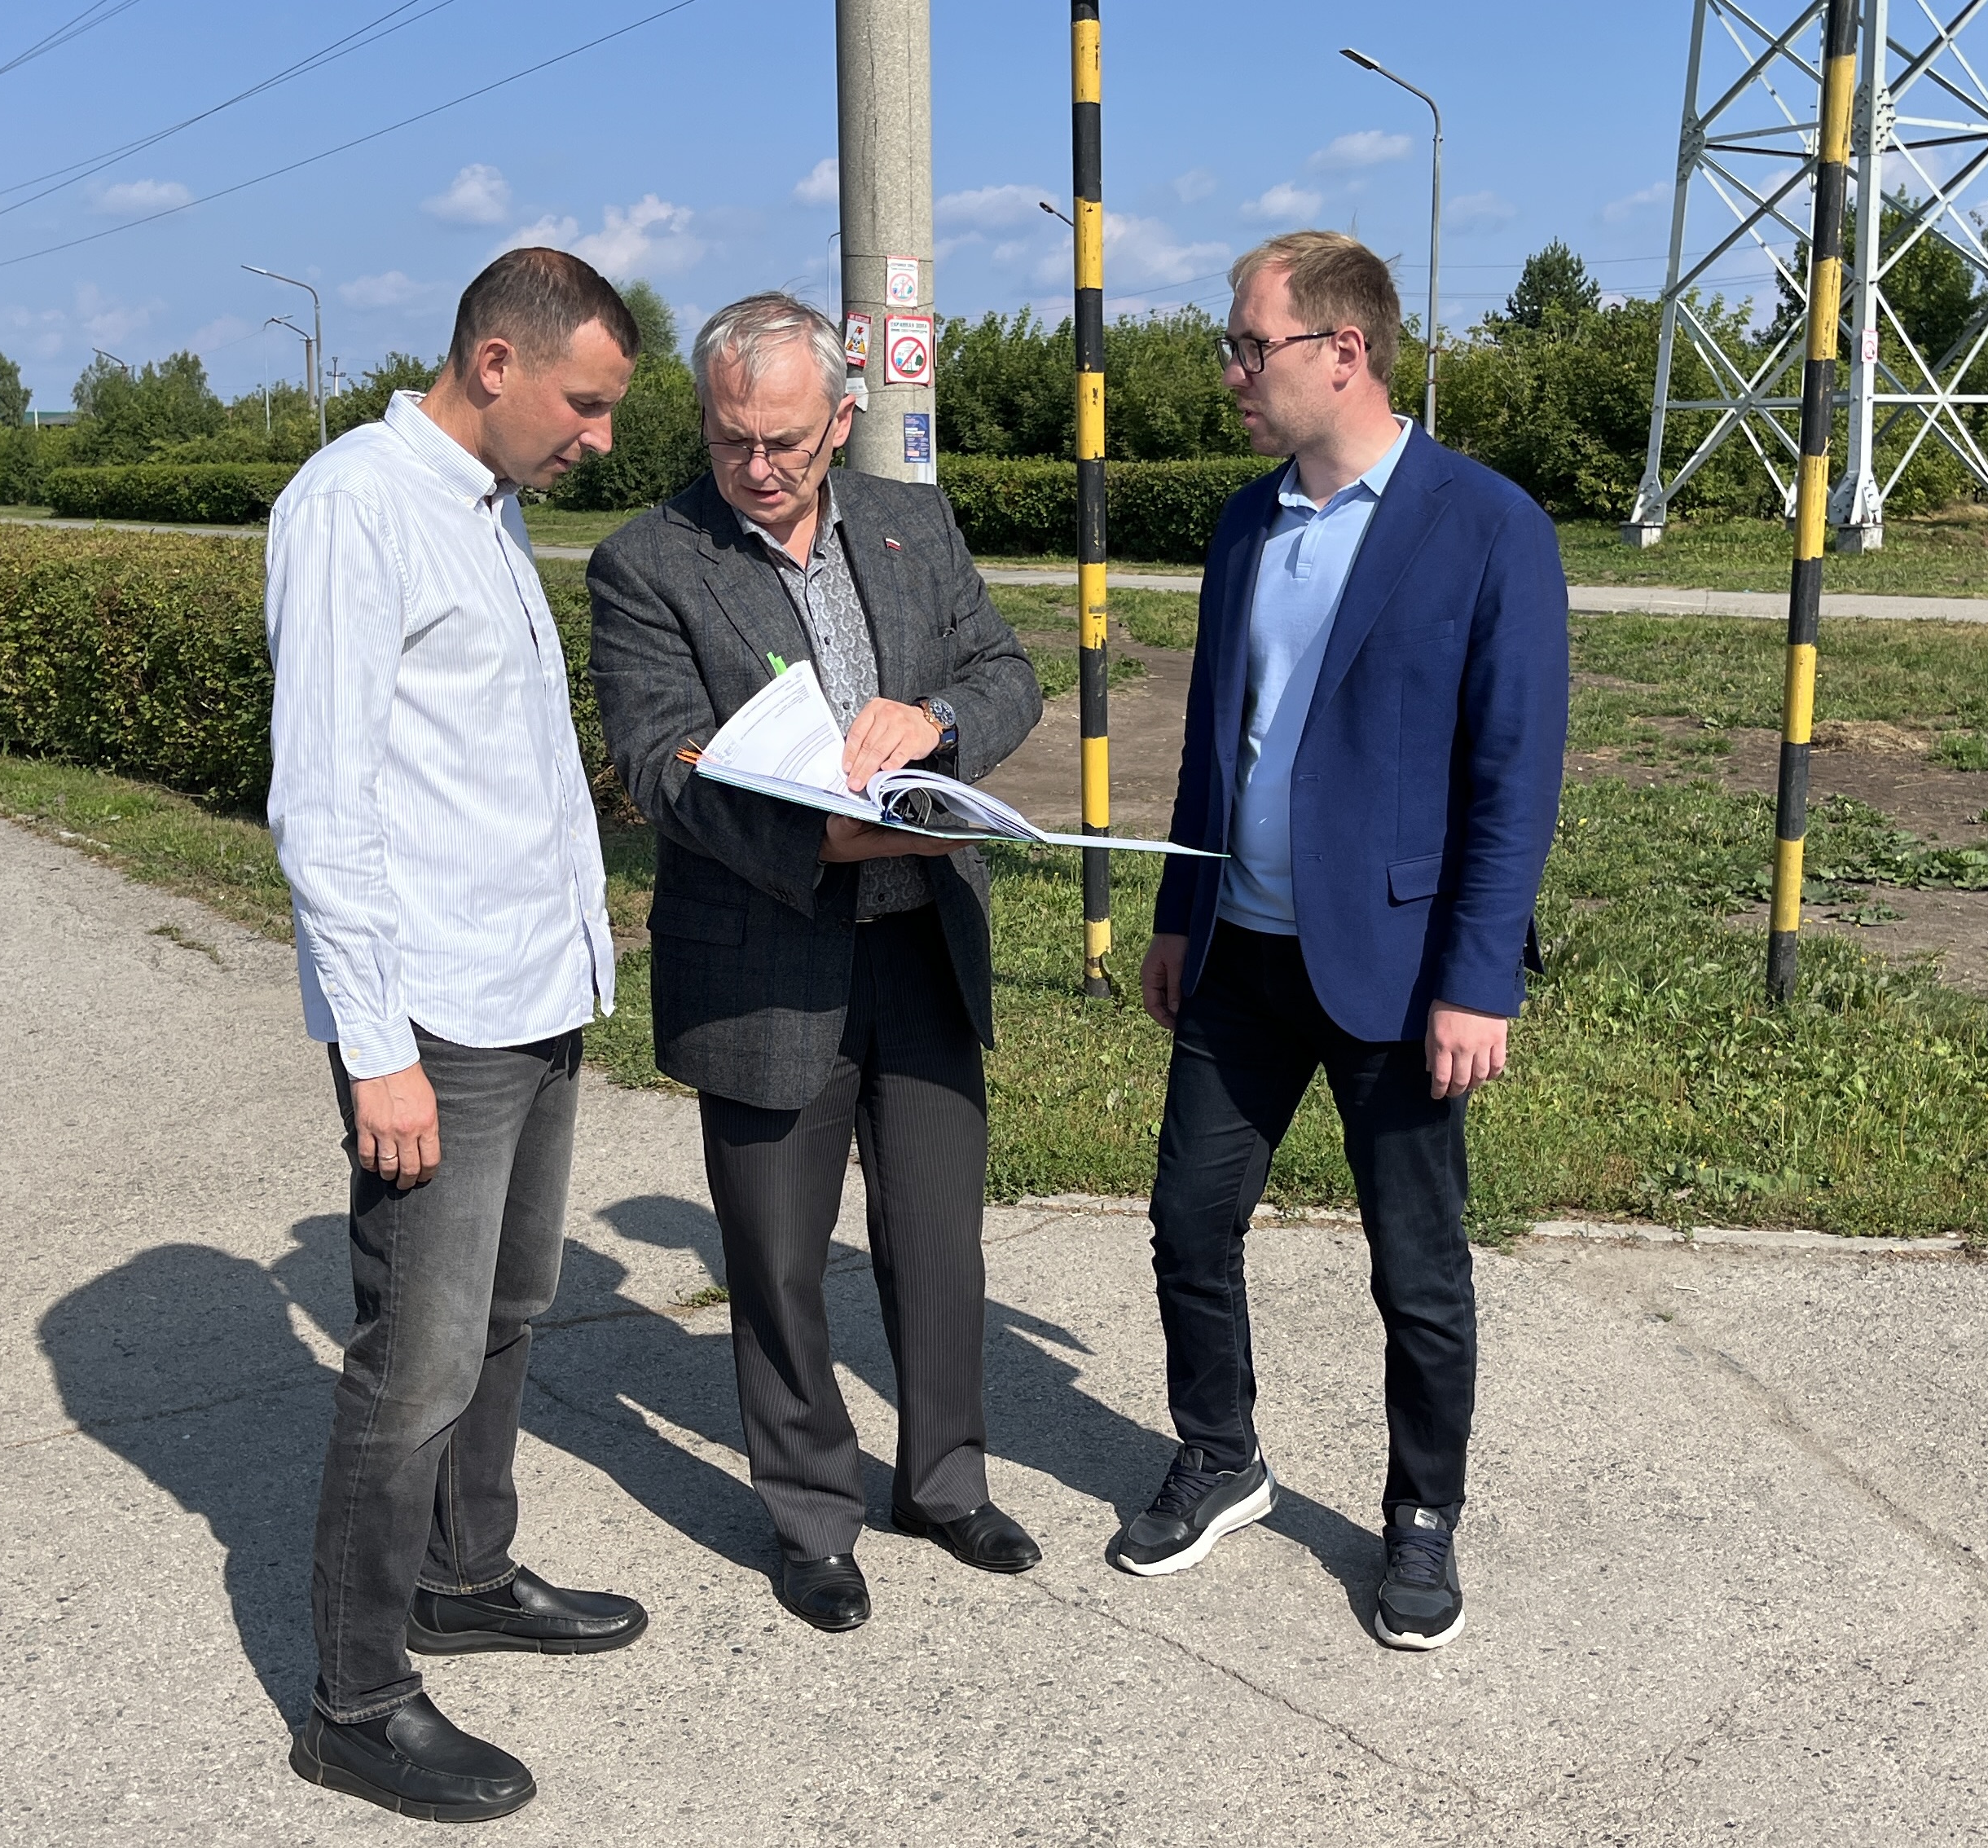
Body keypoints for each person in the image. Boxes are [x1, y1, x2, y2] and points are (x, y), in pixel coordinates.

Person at [1107, 231, 1568, 1652]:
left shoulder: (1486, 525)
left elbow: (1514, 778)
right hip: (1241, 951)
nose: (1232, 374)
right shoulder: (1246, 525)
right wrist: (1180, 912)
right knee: (1188, 1217)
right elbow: (1216, 738)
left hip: (1402, 971)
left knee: (1415, 1269)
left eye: (1252, 348)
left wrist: (1477, 982)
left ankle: (1421, 1514)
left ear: (1344, 351)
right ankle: (1220, 1452)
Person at [587, 293, 1043, 1634]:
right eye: (732, 439)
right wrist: (819, 839)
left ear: (841, 421)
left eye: (785, 440)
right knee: (780, 1263)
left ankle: (945, 1483)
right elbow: (659, 764)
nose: (759, 466)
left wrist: (938, 722)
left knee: (939, 1243)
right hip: (765, 957)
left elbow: (1006, 672)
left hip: (924, 942)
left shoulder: (913, 524)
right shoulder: (647, 562)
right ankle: (810, 1518)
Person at [263, 247, 649, 1825]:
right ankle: (355, 1700)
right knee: (413, 1361)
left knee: (508, 1309)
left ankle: (463, 1574)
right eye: (588, 405)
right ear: (497, 362)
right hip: (435, 1019)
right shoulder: (355, 507)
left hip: (531, 992)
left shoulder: (483, 508)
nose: (601, 440)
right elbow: (323, 799)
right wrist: (378, 1049)